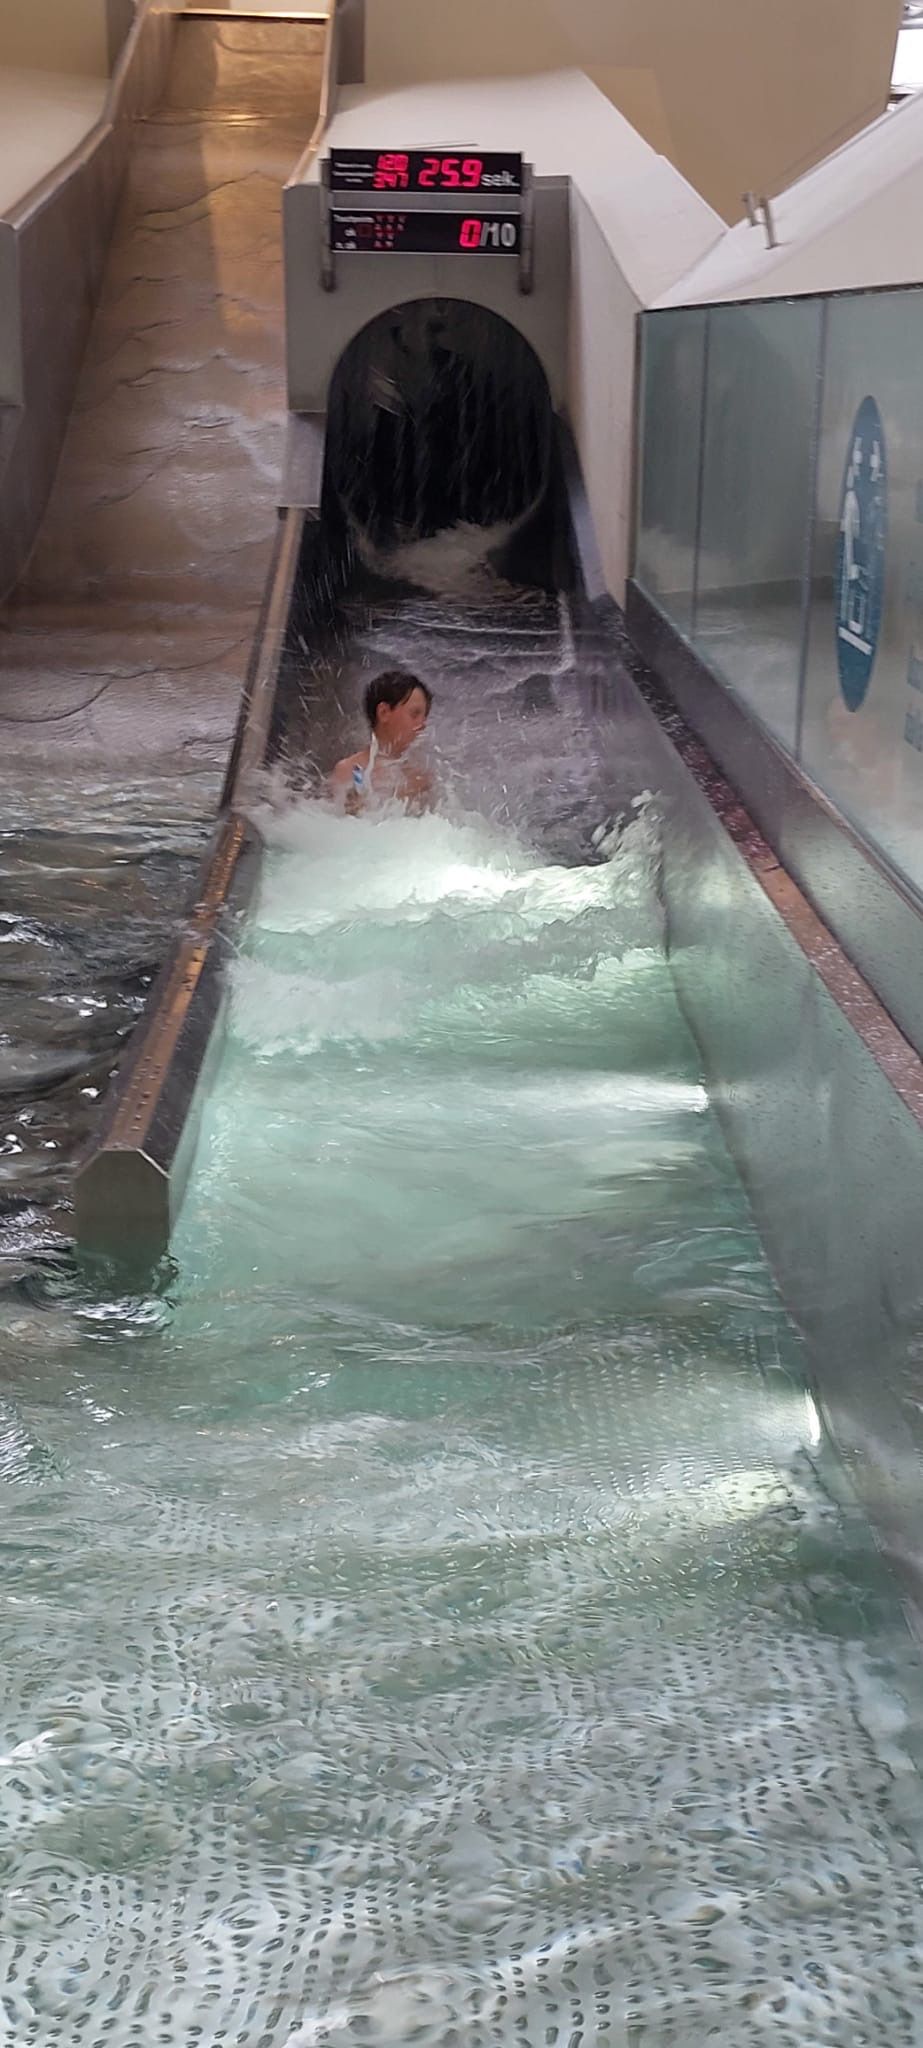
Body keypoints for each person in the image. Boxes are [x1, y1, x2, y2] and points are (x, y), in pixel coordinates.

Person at [329, 671, 434, 813]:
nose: (422, 724)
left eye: (424, 716)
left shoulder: (420, 779)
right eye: (415, 714)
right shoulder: (346, 770)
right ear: (384, 712)